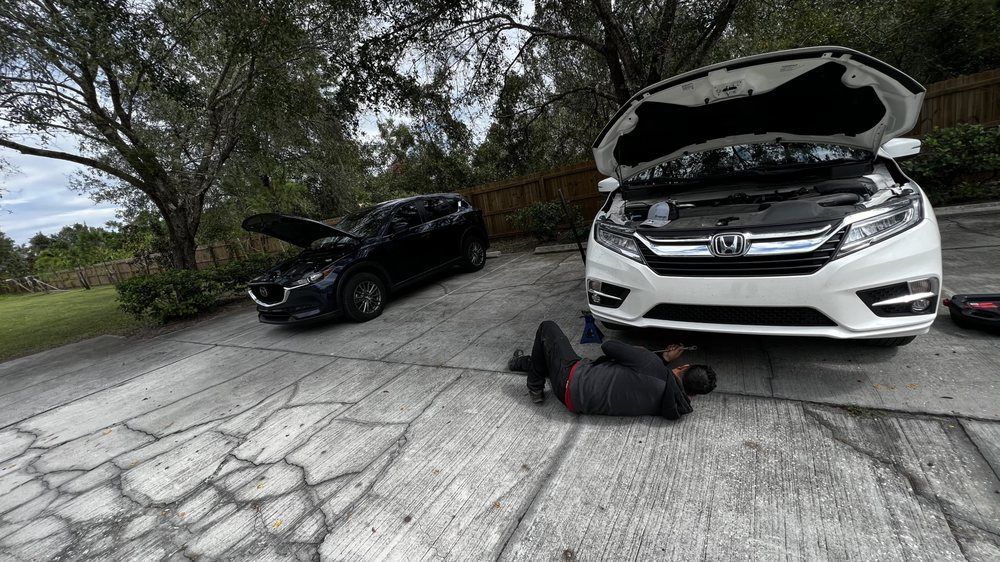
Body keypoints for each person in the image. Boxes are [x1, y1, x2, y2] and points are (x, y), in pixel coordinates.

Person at [508, 321, 717, 419]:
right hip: (576, 400)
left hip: (572, 379)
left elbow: (608, 347)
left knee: (547, 328)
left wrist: (641, 351)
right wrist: (662, 358)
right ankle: (519, 364)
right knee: (549, 360)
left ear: (684, 366)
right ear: (693, 395)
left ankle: (535, 388)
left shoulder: (648, 364)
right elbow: (652, 379)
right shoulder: (673, 405)